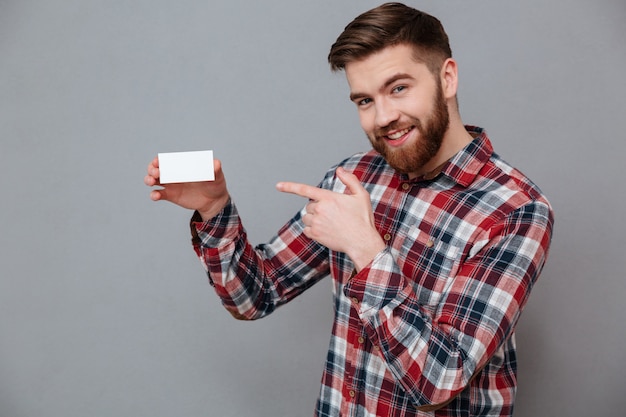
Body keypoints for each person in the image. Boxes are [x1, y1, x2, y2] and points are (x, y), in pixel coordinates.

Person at [144, 3, 554, 416]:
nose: (384, 117)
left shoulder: (515, 210)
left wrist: (366, 249)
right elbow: (255, 295)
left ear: (446, 77)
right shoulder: (355, 177)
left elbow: (439, 382)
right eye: (363, 100)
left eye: (398, 88)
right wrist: (216, 211)